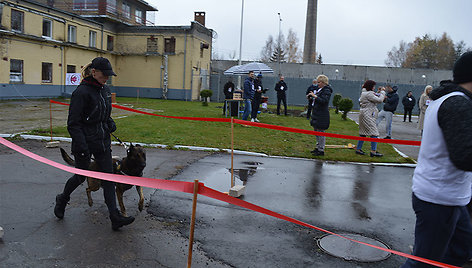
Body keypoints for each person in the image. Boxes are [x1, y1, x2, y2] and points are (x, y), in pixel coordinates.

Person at [401, 51, 472, 268]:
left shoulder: (448, 98)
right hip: (439, 199)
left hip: (449, 197)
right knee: (424, 263)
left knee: (460, 249)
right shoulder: (458, 104)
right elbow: (465, 157)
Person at [54, 57, 135, 231]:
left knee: (108, 178)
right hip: (84, 143)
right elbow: (73, 124)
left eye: (109, 75)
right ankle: (62, 199)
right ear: (93, 72)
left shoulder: (105, 91)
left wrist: (110, 123)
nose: (107, 78)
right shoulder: (81, 93)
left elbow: (104, 115)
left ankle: (114, 216)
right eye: (104, 74)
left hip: (102, 142)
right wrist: (82, 147)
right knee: (80, 177)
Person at [355, 80, 386, 157]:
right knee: (374, 132)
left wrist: (378, 92)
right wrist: (382, 92)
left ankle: (358, 149)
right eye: (373, 86)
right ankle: (373, 151)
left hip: (364, 113)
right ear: (370, 86)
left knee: (363, 132)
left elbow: (374, 96)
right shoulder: (368, 94)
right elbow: (380, 100)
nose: (374, 87)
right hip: (367, 114)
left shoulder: (365, 92)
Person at [308, 75, 332, 156]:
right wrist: (311, 97)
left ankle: (321, 150)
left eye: (319, 82)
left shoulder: (327, 91)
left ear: (323, 82)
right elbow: (317, 100)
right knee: (316, 131)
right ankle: (318, 147)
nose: (317, 84)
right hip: (316, 113)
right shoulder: (320, 90)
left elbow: (324, 101)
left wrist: (315, 96)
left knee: (321, 132)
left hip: (322, 114)